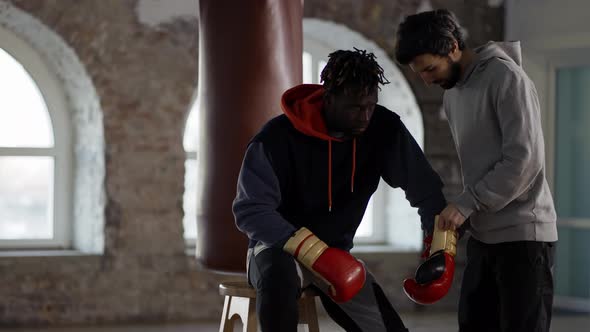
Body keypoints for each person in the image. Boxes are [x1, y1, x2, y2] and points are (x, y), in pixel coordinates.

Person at [232, 48, 448, 332]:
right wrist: (314, 252)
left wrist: (440, 250)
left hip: (337, 255)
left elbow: (427, 190)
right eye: (355, 108)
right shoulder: (275, 138)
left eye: (371, 105)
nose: (365, 116)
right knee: (278, 277)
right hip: (276, 249)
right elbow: (251, 210)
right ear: (329, 98)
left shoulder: (383, 129)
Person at [395, 9, 558, 332]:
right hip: (484, 237)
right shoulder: (452, 95)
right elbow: (481, 166)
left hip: (524, 238)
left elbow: (523, 160)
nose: (427, 80)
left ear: (453, 46)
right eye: (420, 74)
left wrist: (467, 203)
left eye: (430, 68)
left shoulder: (506, 78)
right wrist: (463, 217)